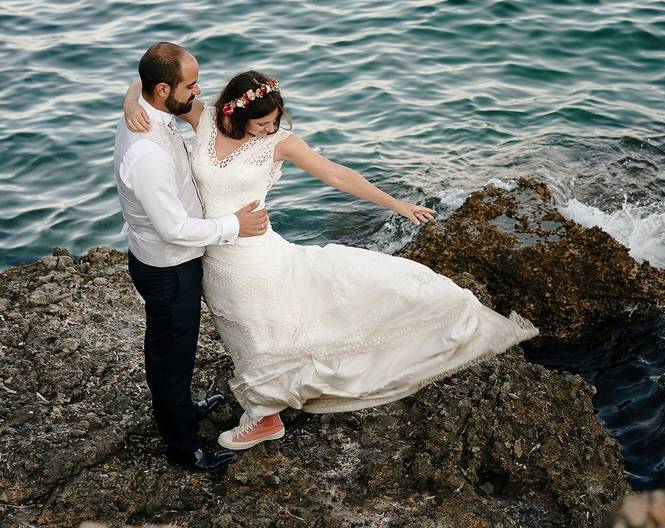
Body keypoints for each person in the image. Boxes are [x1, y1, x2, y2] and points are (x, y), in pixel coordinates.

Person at [123, 61, 538, 452]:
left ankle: (264, 416)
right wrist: (129, 103)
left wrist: (396, 204)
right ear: (235, 113)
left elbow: (336, 174)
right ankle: (266, 411)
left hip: (254, 256)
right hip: (213, 253)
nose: (271, 129)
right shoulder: (206, 117)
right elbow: (152, 90)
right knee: (241, 333)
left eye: (275, 122)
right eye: (263, 123)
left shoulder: (279, 143)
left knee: (261, 331)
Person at [114, 42, 271, 473]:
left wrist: (131, 96)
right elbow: (174, 228)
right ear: (164, 89)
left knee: (170, 348)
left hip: (171, 261)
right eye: (192, 84)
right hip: (168, 266)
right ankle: (183, 447)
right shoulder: (146, 153)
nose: (200, 91)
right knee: (172, 354)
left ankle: (180, 406)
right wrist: (234, 226)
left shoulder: (149, 106)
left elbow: (137, 81)